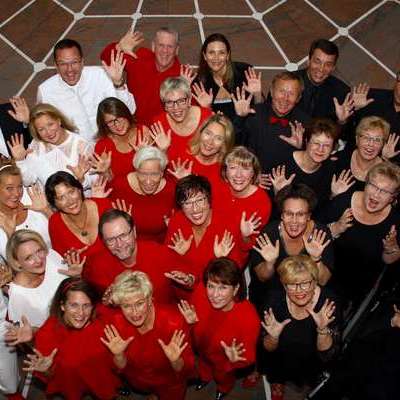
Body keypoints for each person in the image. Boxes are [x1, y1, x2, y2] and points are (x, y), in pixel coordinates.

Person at [101, 270, 195, 400]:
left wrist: (175, 361)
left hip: (169, 383)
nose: (134, 313)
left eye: (139, 303)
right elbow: (119, 369)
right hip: (139, 381)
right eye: (126, 306)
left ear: (150, 299)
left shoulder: (174, 322)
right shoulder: (116, 323)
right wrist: (119, 355)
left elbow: (186, 370)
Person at [318, 161, 400, 309]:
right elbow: (314, 231)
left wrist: (391, 248)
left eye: (384, 191)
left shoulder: (395, 222)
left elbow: (389, 261)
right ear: (365, 184)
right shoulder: (343, 202)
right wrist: (336, 228)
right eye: (373, 186)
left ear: (393, 197)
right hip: (322, 278)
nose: (376, 194)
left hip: (356, 293)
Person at [24, 278, 121, 400]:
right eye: (74, 305)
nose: (81, 313)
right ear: (62, 306)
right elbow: (53, 376)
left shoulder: (103, 320)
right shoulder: (47, 333)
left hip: (100, 378)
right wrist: (46, 370)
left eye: (86, 305)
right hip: (73, 384)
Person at [260, 255, 341, 400]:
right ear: (283, 285)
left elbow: (327, 355)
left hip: (311, 360)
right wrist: (273, 337)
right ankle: (278, 383)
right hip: (281, 357)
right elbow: (268, 349)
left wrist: (322, 330)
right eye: (291, 284)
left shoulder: (328, 303)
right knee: (277, 370)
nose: (299, 291)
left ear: (315, 282)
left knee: (306, 380)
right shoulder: (274, 299)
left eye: (305, 283)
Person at [179, 257, 260, 400]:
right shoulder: (200, 292)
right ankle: (205, 378)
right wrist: (190, 324)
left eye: (223, 287)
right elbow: (193, 329)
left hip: (224, 361)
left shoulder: (249, 317)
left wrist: (234, 361)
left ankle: (223, 389)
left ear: (236, 289)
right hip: (202, 351)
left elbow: (248, 357)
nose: (215, 295)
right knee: (203, 367)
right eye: (211, 286)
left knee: (223, 377)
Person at [249, 184, 334, 312]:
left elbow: (322, 281)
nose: (294, 221)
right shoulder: (269, 234)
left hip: (305, 301)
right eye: (289, 214)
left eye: (300, 214)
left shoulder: (320, 234)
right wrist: (270, 263)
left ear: (309, 216)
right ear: (282, 215)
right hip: (269, 299)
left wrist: (316, 258)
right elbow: (262, 277)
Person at [37, 38, 135, 143]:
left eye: (74, 62)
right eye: (63, 64)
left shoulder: (102, 75)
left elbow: (130, 110)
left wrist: (118, 84)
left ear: (82, 62)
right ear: (56, 66)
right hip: (79, 150)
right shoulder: (45, 91)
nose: (69, 69)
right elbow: (41, 128)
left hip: (114, 142)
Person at [166, 175, 260, 282]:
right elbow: (169, 262)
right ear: (181, 206)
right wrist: (180, 257)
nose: (195, 209)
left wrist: (220, 260)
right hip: (182, 289)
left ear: (209, 199)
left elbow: (233, 274)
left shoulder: (227, 224)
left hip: (216, 289)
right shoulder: (177, 221)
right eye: (187, 203)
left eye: (200, 200)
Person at [96, 208, 181, 303]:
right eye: (111, 240)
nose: (119, 244)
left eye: (123, 235)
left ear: (134, 231)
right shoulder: (99, 266)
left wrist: (189, 281)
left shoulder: (160, 254)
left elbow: (186, 288)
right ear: (104, 242)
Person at [101, 27, 181, 125]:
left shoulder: (183, 76)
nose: (165, 50)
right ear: (153, 46)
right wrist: (119, 46)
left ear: (177, 50)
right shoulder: (140, 58)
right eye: (161, 45)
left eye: (170, 46)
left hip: (160, 130)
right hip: (131, 125)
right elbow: (106, 57)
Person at [234, 71, 310, 173]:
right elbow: (235, 146)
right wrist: (240, 118)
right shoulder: (252, 113)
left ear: (298, 98)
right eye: (281, 91)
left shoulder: (305, 123)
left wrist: (301, 149)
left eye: (291, 94)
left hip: (287, 179)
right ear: (272, 91)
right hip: (251, 175)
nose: (285, 98)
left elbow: (309, 164)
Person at [9, 103, 95, 192]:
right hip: (47, 200)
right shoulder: (36, 146)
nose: (48, 132)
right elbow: (28, 181)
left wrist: (82, 179)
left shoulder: (81, 145)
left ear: (59, 121)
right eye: (41, 129)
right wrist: (20, 161)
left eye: (50, 124)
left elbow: (96, 180)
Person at [45, 171, 113, 282]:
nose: (70, 201)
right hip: (87, 284)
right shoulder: (55, 223)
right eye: (61, 198)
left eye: (71, 192)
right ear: (54, 204)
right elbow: (64, 263)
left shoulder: (104, 206)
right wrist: (75, 273)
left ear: (79, 189)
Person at [5, 229, 77, 328]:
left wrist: (76, 277)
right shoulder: (18, 296)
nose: (38, 260)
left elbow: (76, 290)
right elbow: (29, 333)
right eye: (28, 258)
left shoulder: (51, 257)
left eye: (39, 251)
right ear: (17, 263)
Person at [269, 118, 339, 208]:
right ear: (306, 142)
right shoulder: (281, 162)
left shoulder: (330, 170)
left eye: (327, 145)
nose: (320, 149)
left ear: (332, 149)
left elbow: (322, 209)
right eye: (316, 143)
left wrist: (333, 195)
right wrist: (278, 193)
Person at [110, 146, 175, 243]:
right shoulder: (119, 187)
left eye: (154, 174)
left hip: (159, 247)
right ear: (136, 171)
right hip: (126, 247)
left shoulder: (172, 191)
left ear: (162, 173)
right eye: (143, 174)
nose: (148, 181)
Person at [194, 33, 258, 122]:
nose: (216, 58)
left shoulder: (244, 72)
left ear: (228, 55)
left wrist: (257, 94)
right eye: (211, 52)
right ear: (205, 56)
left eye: (221, 53)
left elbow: (261, 111)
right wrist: (208, 109)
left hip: (245, 126)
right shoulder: (200, 83)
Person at [154, 76, 213, 164]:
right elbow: (157, 166)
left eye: (181, 101)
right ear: (165, 106)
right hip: (173, 172)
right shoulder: (159, 124)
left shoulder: (207, 116)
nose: (176, 107)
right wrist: (162, 151)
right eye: (169, 102)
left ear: (189, 100)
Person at [0, 161, 51, 258]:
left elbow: (65, 229)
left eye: (20, 186)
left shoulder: (33, 199)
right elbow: (13, 262)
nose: (16, 193)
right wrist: (10, 235)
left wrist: (46, 210)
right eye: (9, 188)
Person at [95, 97, 150, 180]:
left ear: (126, 114)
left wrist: (144, 157)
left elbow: (156, 172)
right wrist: (105, 172)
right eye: (110, 122)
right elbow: (110, 183)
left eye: (119, 118)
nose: (117, 125)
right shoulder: (102, 146)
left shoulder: (143, 132)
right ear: (104, 125)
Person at [295, 38, 350, 121]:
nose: (321, 69)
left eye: (328, 65)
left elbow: (343, 126)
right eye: (317, 62)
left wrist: (342, 121)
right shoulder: (288, 82)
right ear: (308, 61)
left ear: (333, 68)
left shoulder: (341, 91)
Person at [333, 116, 390, 195]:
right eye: (366, 137)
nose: (371, 144)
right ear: (357, 139)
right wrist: (333, 194)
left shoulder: (387, 172)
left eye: (377, 140)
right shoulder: (337, 160)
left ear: (383, 144)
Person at [219, 146, 272, 229]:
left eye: (245, 168)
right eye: (233, 167)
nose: (238, 174)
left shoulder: (261, 203)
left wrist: (245, 235)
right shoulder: (219, 186)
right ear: (225, 171)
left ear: (253, 173)